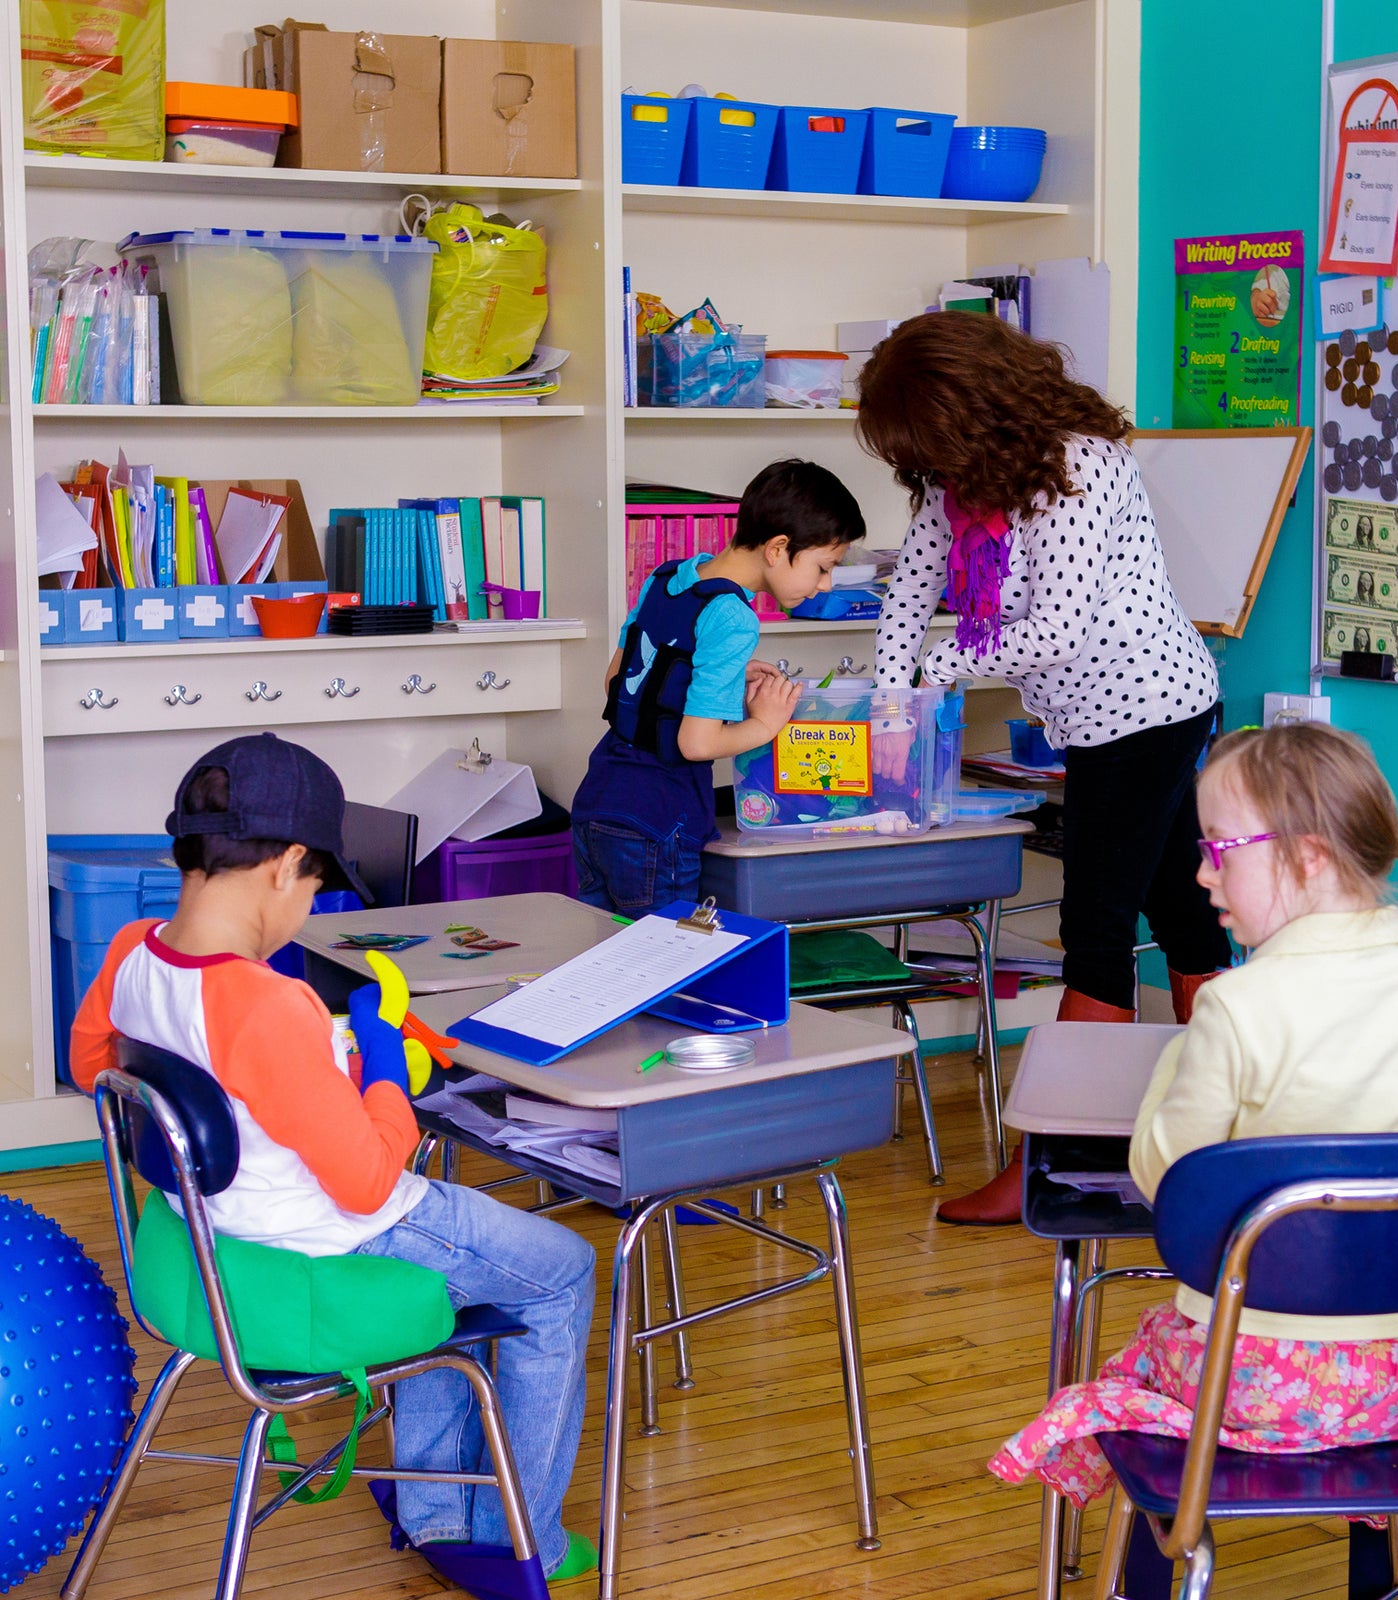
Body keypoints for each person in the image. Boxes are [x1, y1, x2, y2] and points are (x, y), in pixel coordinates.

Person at [69, 733, 599, 1584]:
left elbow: (94, 1063)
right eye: (317, 884)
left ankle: (433, 1509)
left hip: (213, 1241)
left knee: (469, 1269)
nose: (312, 906)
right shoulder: (268, 1004)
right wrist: (385, 1076)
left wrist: (284, 1085)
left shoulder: (135, 950)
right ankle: (518, 1533)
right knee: (563, 1269)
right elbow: (366, 1183)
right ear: (284, 866)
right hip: (330, 1240)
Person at [988, 723, 1398, 1599]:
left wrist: (1180, 1056)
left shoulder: (1241, 1007)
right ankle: (1384, 1576)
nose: (1201, 872)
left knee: (1138, 1361)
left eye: (1219, 850)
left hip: (1255, 1388)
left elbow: (1166, 1182)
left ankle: (1149, 1573)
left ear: (1310, 858)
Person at [857, 311, 1232, 1225]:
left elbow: (1055, 630)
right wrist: (886, 695)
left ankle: (1050, 1164)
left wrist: (936, 672)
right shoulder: (966, 484)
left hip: (1148, 709)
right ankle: (1233, 1131)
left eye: (931, 446)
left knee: (1094, 931)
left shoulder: (1079, 469)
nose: (928, 472)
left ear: (975, 411)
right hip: (1097, 719)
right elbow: (912, 582)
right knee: (1185, 916)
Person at [572, 459, 864, 915]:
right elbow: (696, 743)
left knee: (605, 961)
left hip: (598, 802)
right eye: (824, 567)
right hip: (658, 818)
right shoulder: (734, 617)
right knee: (660, 965)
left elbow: (619, 682)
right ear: (778, 548)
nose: (824, 585)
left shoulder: (667, 577)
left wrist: (707, 677)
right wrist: (766, 723)